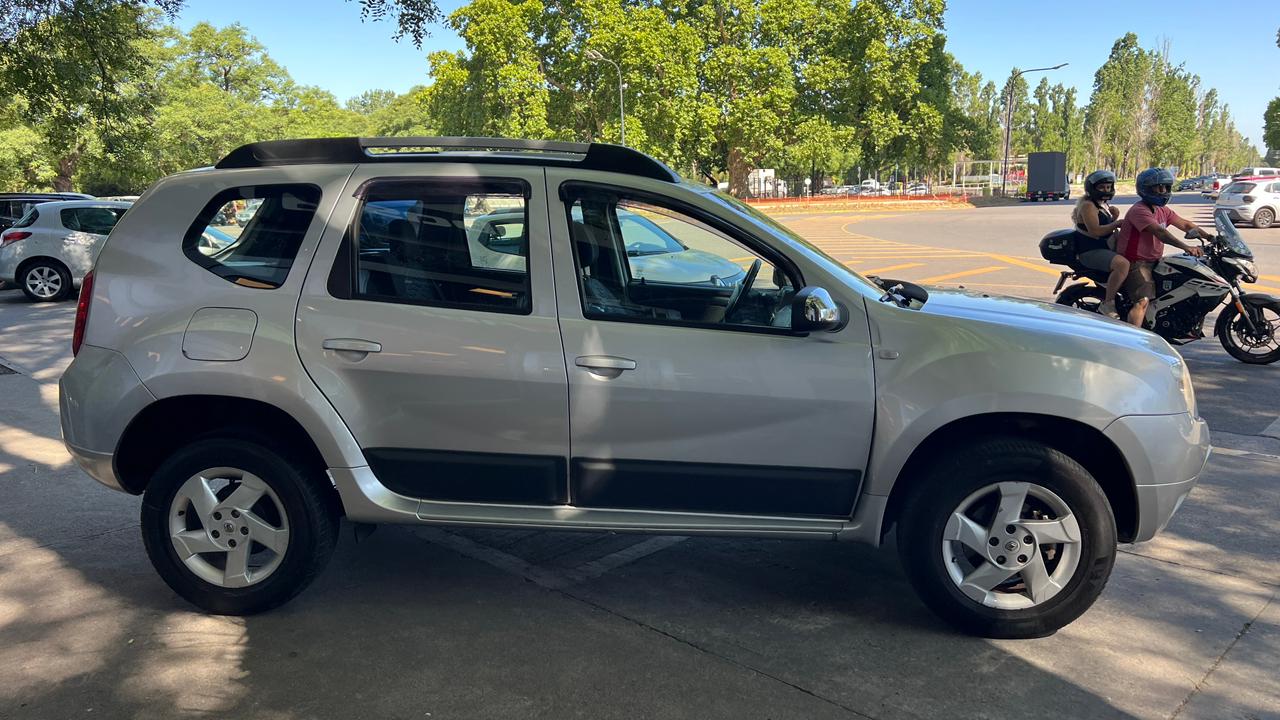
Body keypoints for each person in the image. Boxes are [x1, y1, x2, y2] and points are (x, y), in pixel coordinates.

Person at [1117, 168, 1208, 328]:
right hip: (1136, 262)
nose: (1164, 191)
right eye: (1160, 188)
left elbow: (1185, 224)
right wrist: (1186, 246)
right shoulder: (1139, 210)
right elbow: (1160, 232)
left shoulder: (1162, 210)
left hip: (1155, 260)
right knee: (1142, 301)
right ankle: (1133, 339)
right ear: (1147, 189)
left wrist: (1210, 237)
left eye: (1166, 187)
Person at [1072, 170, 1126, 318]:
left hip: (1104, 247)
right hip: (1090, 250)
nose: (1106, 190)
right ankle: (1108, 304)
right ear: (1092, 188)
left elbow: (1104, 224)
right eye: (1102, 187)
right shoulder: (1088, 206)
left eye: (1109, 187)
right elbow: (1095, 230)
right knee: (1123, 264)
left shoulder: (1103, 205)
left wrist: (1114, 217)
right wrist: (1116, 223)